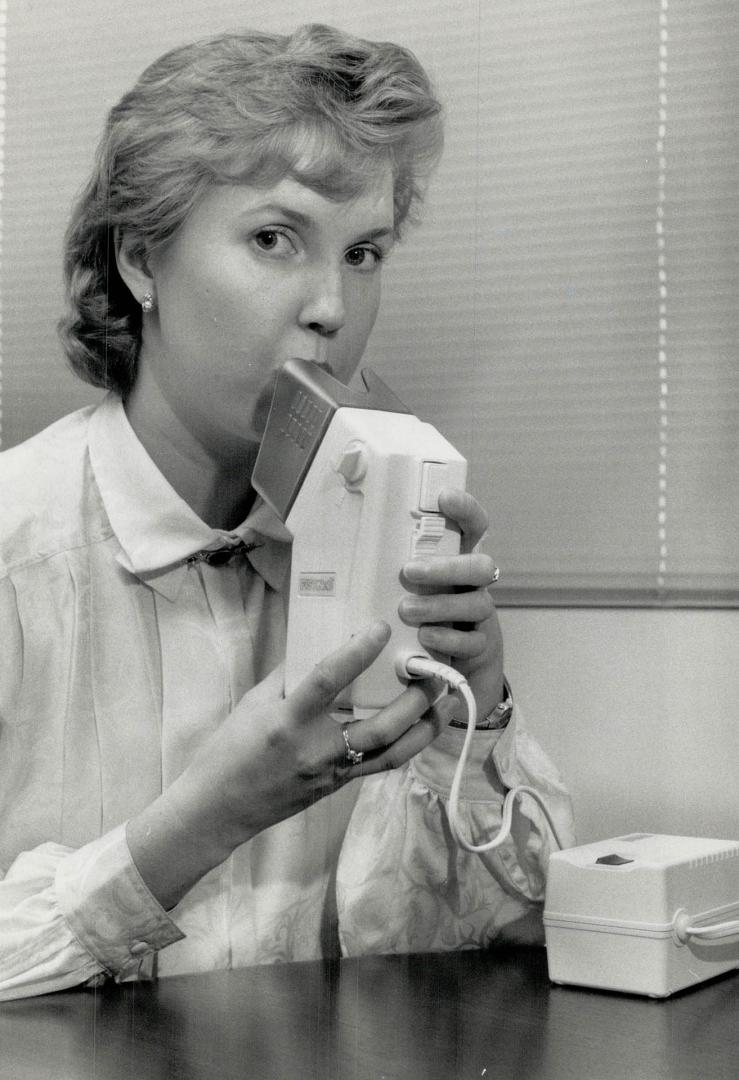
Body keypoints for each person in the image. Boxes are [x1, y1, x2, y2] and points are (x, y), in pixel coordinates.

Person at [0, 24, 574, 1000]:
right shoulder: (19, 554)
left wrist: (470, 720)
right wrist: (203, 820)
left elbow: (525, 928)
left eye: (363, 253)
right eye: (274, 238)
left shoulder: (381, 543)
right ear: (142, 260)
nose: (330, 307)